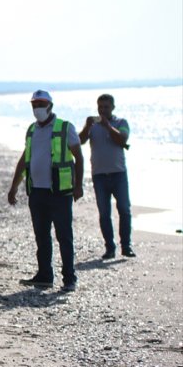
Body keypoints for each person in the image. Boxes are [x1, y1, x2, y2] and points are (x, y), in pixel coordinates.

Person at [7, 90, 84, 292]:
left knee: (64, 236)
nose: (37, 108)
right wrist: (14, 186)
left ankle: (69, 278)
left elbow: (79, 157)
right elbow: (25, 158)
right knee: (41, 236)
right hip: (37, 192)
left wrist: (78, 185)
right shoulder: (32, 130)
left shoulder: (65, 127)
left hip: (60, 192)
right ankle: (44, 275)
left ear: (50, 106)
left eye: (41, 104)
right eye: (34, 104)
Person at [79, 94, 134, 258]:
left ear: (113, 108)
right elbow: (79, 141)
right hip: (99, 176)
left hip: (118, 174)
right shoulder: (93, 126)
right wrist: (87, 126)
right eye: (100, 107)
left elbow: (122, 139)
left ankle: (126, 246)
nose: (102, 110)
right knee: (104, 213)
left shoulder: (121, 123)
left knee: (124, 209)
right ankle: (110, 247)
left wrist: (107, 126)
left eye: (106, 107)